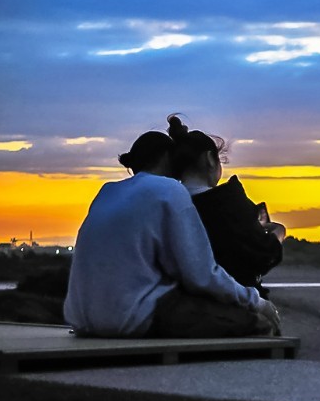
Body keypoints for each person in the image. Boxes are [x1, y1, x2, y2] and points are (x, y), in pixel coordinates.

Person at [64, 130, 280, 338]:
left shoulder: (107, 191)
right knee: (257, 323)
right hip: (130, 316)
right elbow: (202, 276)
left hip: (82, 318)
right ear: (168, 158)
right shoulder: (168, 190)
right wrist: (257, 301)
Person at [166, 115, 285, 296]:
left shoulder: (165, 203)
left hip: (180, 303)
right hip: (234, 304)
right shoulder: (226, 202)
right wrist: (278, 233)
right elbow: (262, 254)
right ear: (210, 159)